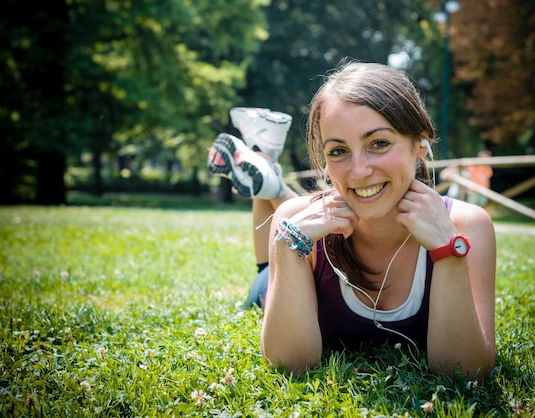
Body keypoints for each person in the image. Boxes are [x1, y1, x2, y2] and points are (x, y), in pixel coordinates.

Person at [207, 63, 496, 381]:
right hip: (281, 275)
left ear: (421, 144)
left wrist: (448, 251)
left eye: (379, 143)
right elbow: (290, 364)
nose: (359, 172)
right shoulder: (294, 225)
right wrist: (288, 246)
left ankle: (269, 172)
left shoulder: (466, 226)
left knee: (287, 210)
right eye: (339, 150)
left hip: (312, 219)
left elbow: (463, 372)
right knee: (267, 269)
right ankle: (269, 170)